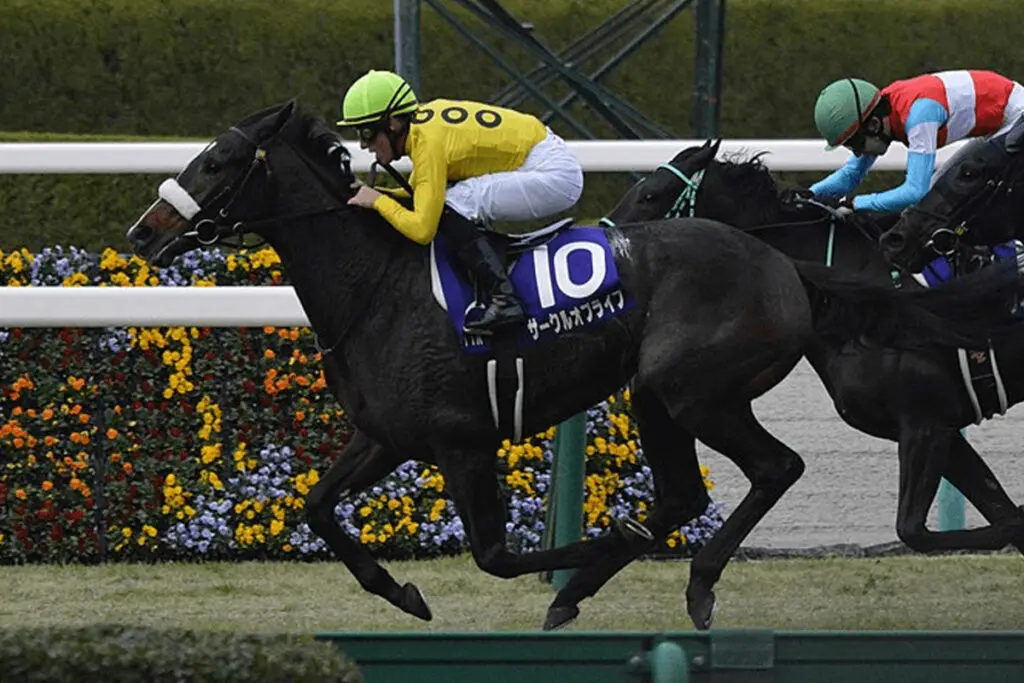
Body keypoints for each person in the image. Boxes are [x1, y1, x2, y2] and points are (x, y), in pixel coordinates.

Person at [336, 69, 584, 336]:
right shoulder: (423, 128)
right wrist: (379, 194)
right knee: (453, 199)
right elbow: (420, 194)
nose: (364, 145)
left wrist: (378, 202)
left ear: (393, 123)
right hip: (543, 155)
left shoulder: (428, 142)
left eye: (367, 133)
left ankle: (504, 299)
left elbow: (422, 229)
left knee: (454, 203)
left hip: (553, 172)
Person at [808, 70, 1024, 215]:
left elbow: (915, 191)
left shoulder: (919, 114)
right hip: (996, 125)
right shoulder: (878, 113)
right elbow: (850, 176)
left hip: (1016, 120)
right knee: (938, 195)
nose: (856, 153)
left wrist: (856, 204)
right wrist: (809, 195)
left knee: (942, 198)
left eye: (854, 144)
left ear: (872, 125)